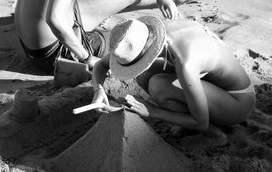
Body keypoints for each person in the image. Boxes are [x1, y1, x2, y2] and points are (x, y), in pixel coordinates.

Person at [90, 16, 256, 147]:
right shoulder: (146, 34)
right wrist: (98, 90)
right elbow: (101, 64)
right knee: (144, 76)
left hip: (238, 101)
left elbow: (201, 122)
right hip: (212, 85)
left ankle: (213, 135)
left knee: (159, 85)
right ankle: (186, 117)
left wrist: (153, 112)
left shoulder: (186, 63)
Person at [15, 0, 185, 74]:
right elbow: (54, 20)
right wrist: (88, 58)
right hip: (56, 51)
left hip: (34, 40)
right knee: (136, 39)